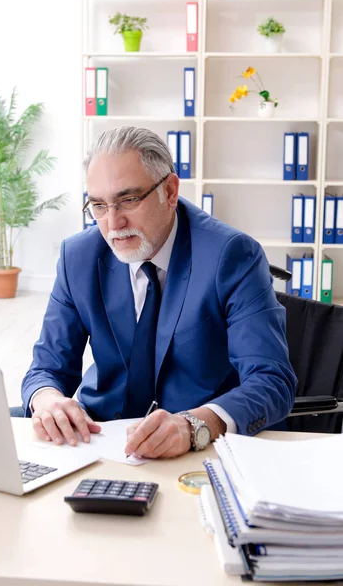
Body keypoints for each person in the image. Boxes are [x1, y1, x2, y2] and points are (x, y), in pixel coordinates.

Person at [17, 126, 296, 459]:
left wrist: (194, 425)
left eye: (128, 200)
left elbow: (271, 379)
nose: (113, 223)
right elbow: (46, 368)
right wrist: (48, 401)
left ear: (171, 191)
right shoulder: (79, 256)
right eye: (99, 205)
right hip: (97, 435)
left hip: (193, 447)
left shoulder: (231, 255)